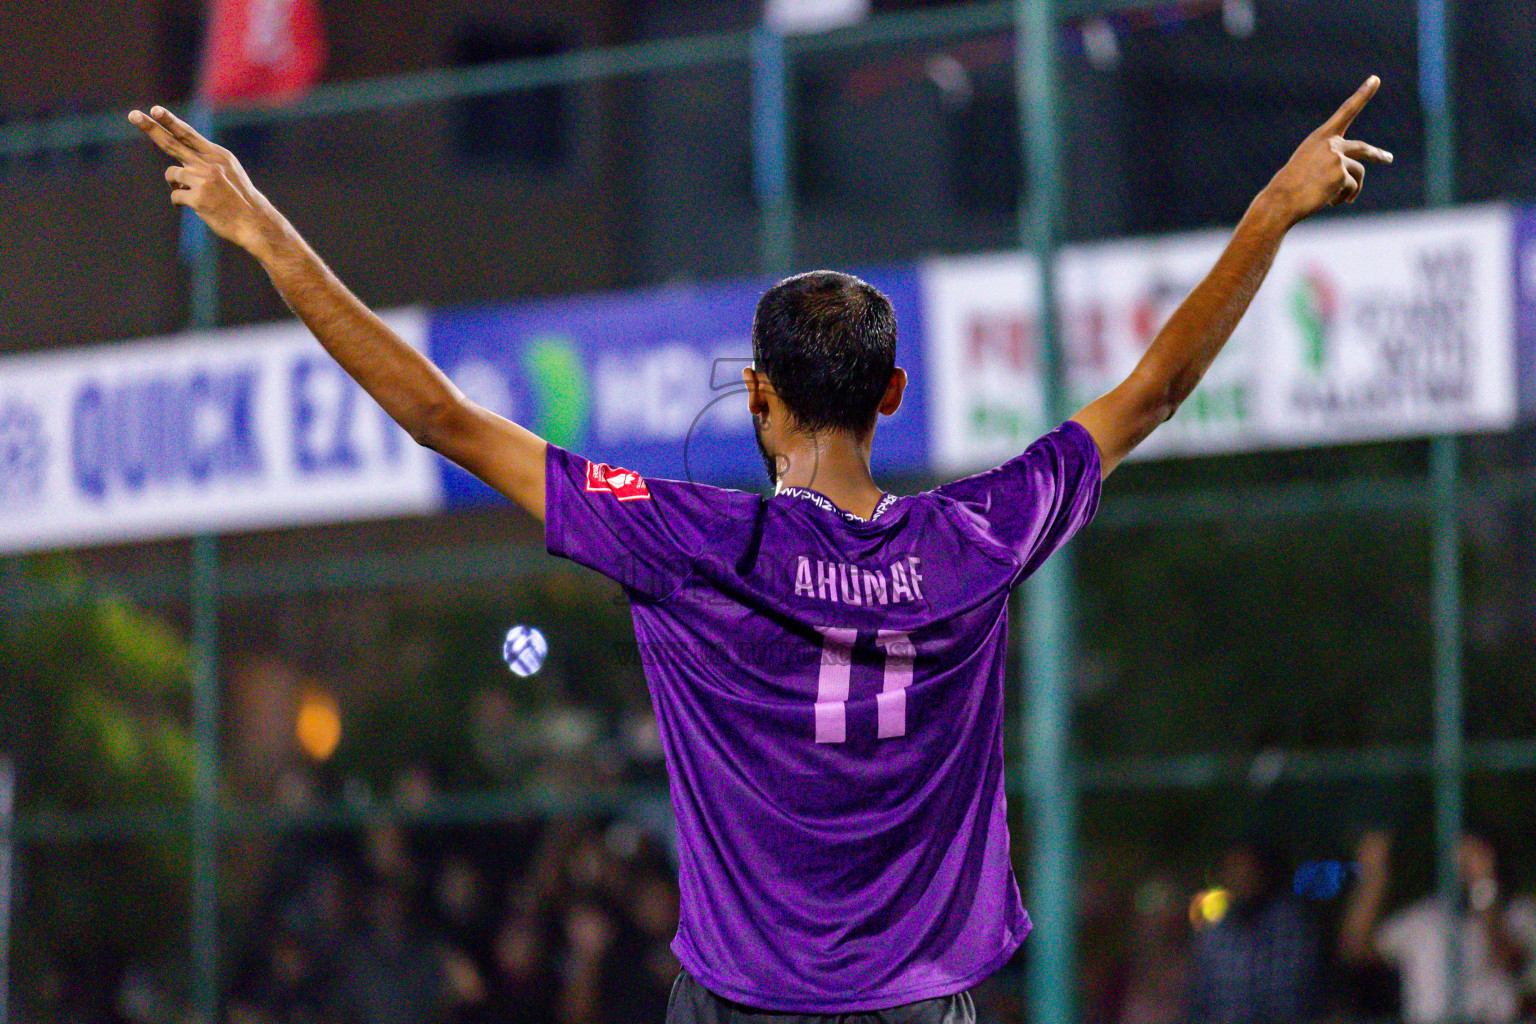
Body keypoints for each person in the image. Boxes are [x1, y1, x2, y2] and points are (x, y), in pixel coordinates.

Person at [128, 78, 1391, 1022]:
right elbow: (1156, 390)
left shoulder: (688, 538)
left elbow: (442, 414)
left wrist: (266, 232)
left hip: (740, 1002)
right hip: (918, 1002)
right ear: (893, 394)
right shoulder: (976, 537)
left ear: (757, 402)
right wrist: (1276, 207)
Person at [1340, 829, 1536, 1023]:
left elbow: (1507, 960)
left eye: (1474, 855)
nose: (1463, 864)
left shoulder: (1519, 913)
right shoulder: (1426, 917)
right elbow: (1356, 948)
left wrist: (1482, 884)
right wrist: (1373, 881)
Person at [1187, 841, 1325, 1024]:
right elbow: (1201, 995)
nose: (1239, 878)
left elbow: (1285, 998)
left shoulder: (1290, 924)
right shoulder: (1216, 929)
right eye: (1232, 870)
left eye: (1246, 871)